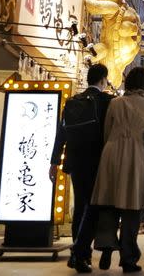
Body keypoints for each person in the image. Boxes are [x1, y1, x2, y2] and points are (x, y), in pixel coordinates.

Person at [78, 67, 144, 274]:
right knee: (132, 211)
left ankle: (106, 246)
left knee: (108, 204)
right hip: (135, 157)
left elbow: (107, 131)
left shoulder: (115, 102)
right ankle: (128, 259)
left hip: (111, 155)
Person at [51, 64, 112, 271]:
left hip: (75, 162)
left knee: (80, 207)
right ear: (103, 80)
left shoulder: (72, 101)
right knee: (94, 208)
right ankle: (80, 253)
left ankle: (79, 254)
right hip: (97, 161)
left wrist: (54, 162)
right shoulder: (106, 101)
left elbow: (61, 133)